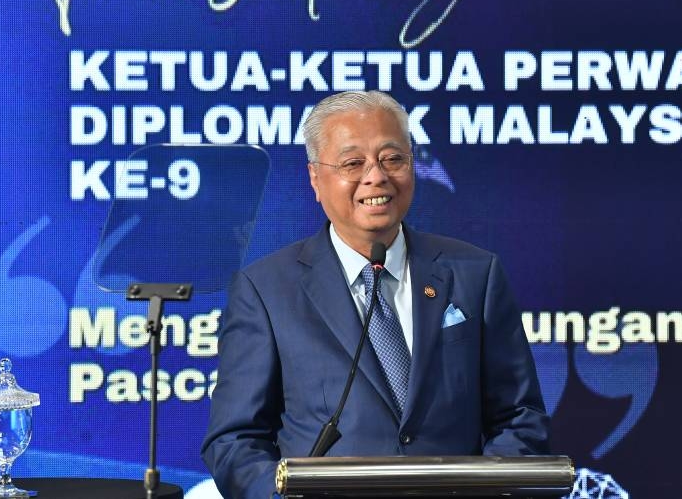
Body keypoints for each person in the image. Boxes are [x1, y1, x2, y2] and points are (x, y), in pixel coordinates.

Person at [202, 91, 550, 498]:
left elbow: (519, 417)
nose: (377, 177)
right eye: (353, 163)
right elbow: (234, 441)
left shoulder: (475, 273)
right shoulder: (266, 290)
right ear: (315, 178)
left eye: (393, 159)